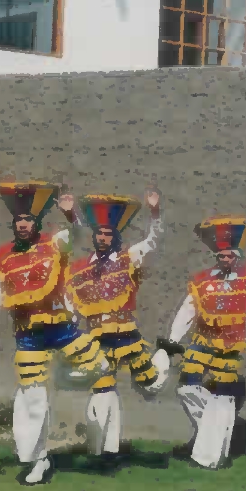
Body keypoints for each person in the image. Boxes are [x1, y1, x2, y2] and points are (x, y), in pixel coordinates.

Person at [0, 180, 108, 485]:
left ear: (37, 222)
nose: (23, 224)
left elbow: (77, 236)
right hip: (28, 335)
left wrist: (71, 215)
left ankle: (57, 378)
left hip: (62, 329)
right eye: (19, 220)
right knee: (32, 396)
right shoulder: (3, 256)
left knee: (100, 366)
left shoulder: (53, 244)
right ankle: (38, 459)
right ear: (13, 223)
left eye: (28, 219)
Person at [157, 216, 246, 469]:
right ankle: (218, 431)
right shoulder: (203, 279)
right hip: (202, 341)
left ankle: (209, 458)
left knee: (222, 399)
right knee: (186, 388)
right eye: (221, 256)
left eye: (230, 256)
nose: (225, 259)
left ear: (237, 255)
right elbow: (188, 309)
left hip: (230, 345)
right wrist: (172, 341)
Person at [62, 188, 168, 459]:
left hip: (126, 335)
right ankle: (104, 451)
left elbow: (153, 241)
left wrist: (155, 213)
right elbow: (72, 306)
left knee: (149, 382)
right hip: (97, 337)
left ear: (116, 236)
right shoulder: (80, 269)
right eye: (99, 233)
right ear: (94, 236)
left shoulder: (128, 258)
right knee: (103, 388)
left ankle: (165, 357)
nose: (103, 238)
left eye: (108, 234)